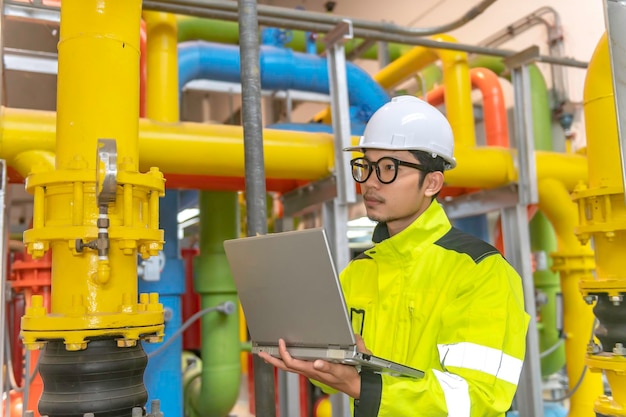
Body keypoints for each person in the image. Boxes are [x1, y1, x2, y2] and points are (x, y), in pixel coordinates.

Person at [259, 95, 530, 416]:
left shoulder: (481, 272)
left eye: (389, 168)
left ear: (431, 182)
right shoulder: (358, 272)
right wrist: (325, 363)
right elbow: (338, 381)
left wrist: (364, 386)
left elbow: (478, 400)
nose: (370, 183)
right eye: (366, 167)